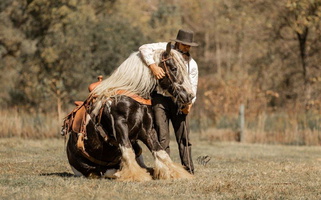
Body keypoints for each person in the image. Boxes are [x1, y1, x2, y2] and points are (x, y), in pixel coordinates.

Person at [139, 29, 198, 174]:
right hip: (160, 98)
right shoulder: (162, 48)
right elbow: (143, 48)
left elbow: (193, 86)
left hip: (179, 101)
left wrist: (189, 104)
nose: (187, 48)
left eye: (189, 45)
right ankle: (166, 170)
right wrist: (153, 66)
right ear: (177, 42)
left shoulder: (192, 64)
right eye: (184, 44)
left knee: (183, 137)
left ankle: (189, 169)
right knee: (162, 136)